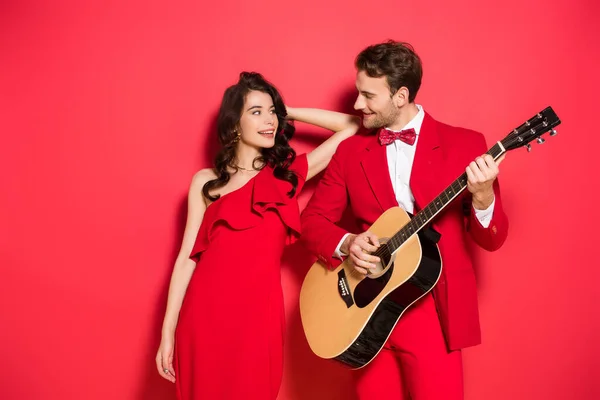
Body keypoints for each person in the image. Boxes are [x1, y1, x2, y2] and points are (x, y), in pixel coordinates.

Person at [300, 41, 509, 400]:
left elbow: (492, 239)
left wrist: (483, 195)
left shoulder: (466, 145)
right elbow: (312, 221)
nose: (356, 105)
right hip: (364, 311)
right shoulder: (349, 153)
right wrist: (348, 242)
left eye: (368, 95)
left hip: (434, 311)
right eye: (357, 93)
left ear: (400, 95)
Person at [155, 71, 360, 400]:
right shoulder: (207, 183)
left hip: (257, 319)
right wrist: (167, 333)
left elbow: (352, 127)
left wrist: (285, 109)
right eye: (256, 112)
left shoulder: (287, 178)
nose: (269, 121)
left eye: (271, 112)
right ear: (234, 124)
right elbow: (185, 261)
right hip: (204, 317)